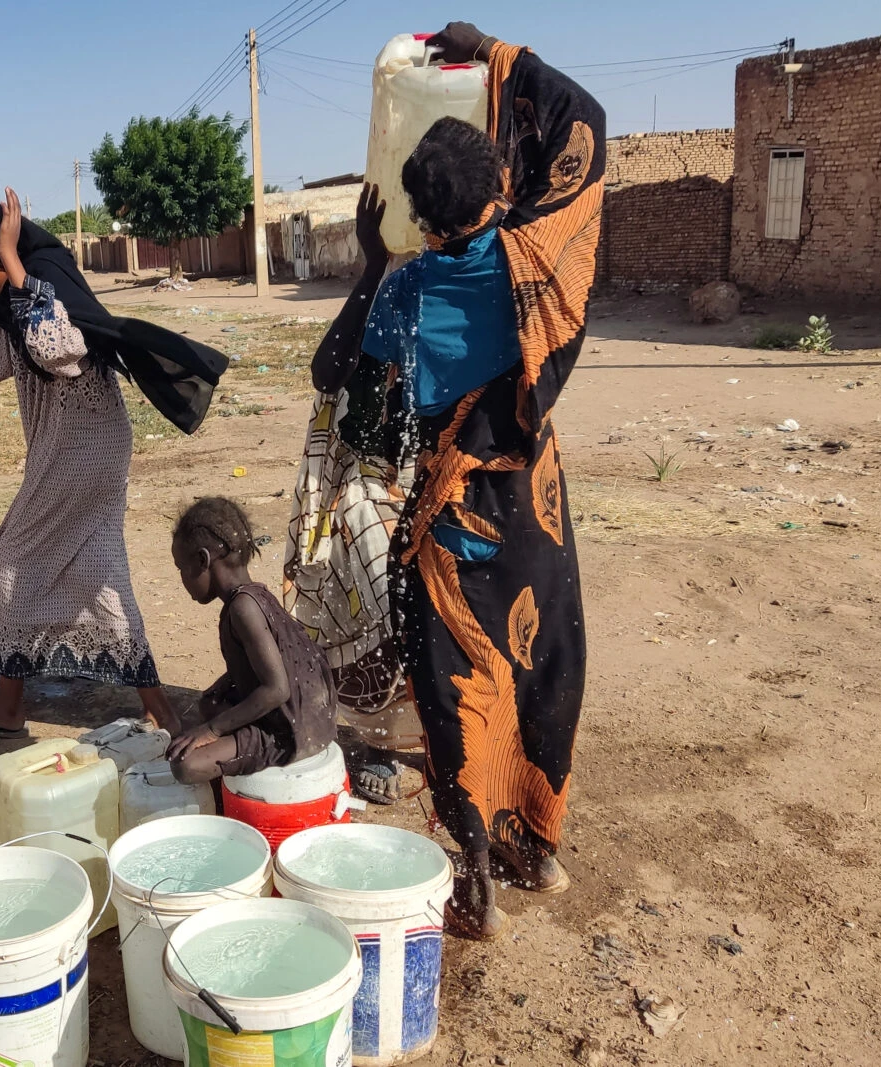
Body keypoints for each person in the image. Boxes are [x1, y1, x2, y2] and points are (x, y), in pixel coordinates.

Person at [309, 23, 604, 939]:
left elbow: (334, 377)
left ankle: (474, 859)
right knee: (545, 659)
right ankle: (536, 845)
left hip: (451, 513)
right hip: (533, 505)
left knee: (454, 680)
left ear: (424, 222)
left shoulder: (407, 290)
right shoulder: (542, 261)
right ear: (501, 190)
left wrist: (368, 263)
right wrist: (497, 52)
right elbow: (582, 124)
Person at [0, 189, 227, 738]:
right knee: (99, 575)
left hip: (81, 451)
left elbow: (59, 351)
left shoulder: (43, 283)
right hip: (84, 449)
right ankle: (161, 709)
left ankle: (9, 703)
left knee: (14, 561)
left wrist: (13, 264)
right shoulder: (16, 300)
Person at [167, 498, 336, 784]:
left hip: (293, 732)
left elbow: (277, 689)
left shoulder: (243, 608)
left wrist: (212, 731)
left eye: (181, 568)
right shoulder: (254, 596)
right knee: (210, 703)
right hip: (313, 716)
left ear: (202, 560)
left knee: (186, 765)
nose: (183, 579)